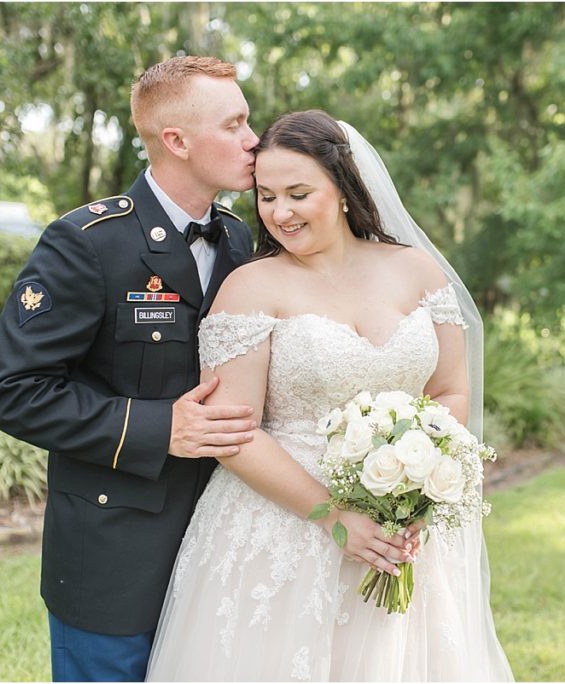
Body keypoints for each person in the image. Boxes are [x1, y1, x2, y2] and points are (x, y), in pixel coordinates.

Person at [146, 110, 513, 681]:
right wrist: (335, 517)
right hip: (282, 529)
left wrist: (414, 490)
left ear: (343, 189)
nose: (280, 213)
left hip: (403, 528)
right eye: (266, 196)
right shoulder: (251, 286)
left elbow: (448, 389)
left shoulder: (416, 271)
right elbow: (231, 432)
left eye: (298, 193)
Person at [0, 56, 263, 682]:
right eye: (235, 124)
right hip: (115, 555)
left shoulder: (242, 242)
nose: (254, 141)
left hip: (227, 545)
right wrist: (162, 429)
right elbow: (12, 391)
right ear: (177, 141)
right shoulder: (87, 242)